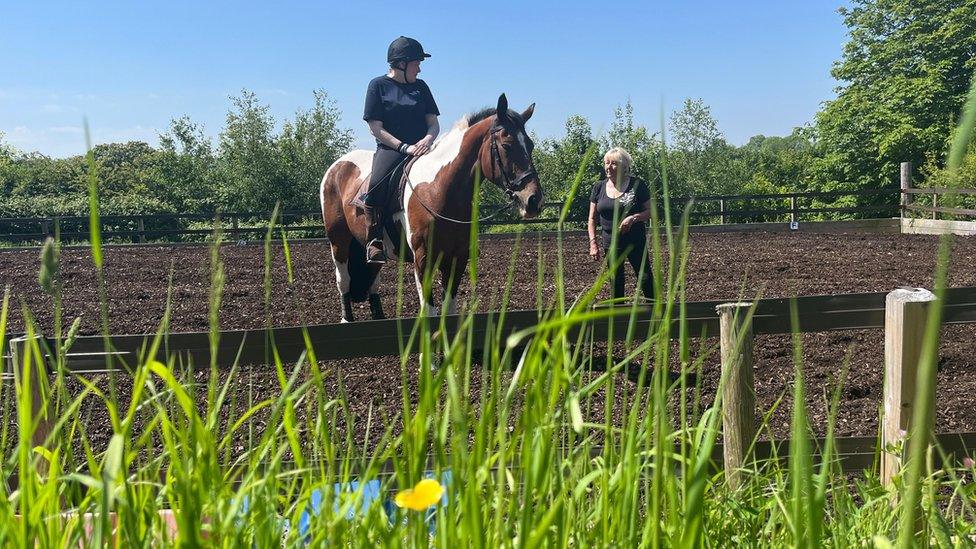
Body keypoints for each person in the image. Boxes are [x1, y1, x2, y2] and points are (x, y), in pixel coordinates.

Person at [361, 36, 441, 264]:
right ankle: (374, 240)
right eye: (416, 62)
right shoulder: (377, 86)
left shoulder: (421, 87)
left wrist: (427, 140)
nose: (420, 67)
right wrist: (403, 146)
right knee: (376, 184)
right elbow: (375, 128)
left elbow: (433, 123)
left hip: (423, 148)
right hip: (392, 149)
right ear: (401, 63)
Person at [588, 147, 654, 301]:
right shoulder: (598, 187)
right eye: (606, 163)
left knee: (645, 278)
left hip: (635, 242)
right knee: (616, 282)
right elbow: (592, 219)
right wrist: (593, 243)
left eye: (613, 164)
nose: (608, 167)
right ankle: (619, 320)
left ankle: (657, 314)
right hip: (610, 244)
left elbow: (652, 212)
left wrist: (633, 218)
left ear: (624, 167)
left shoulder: (637, 185)